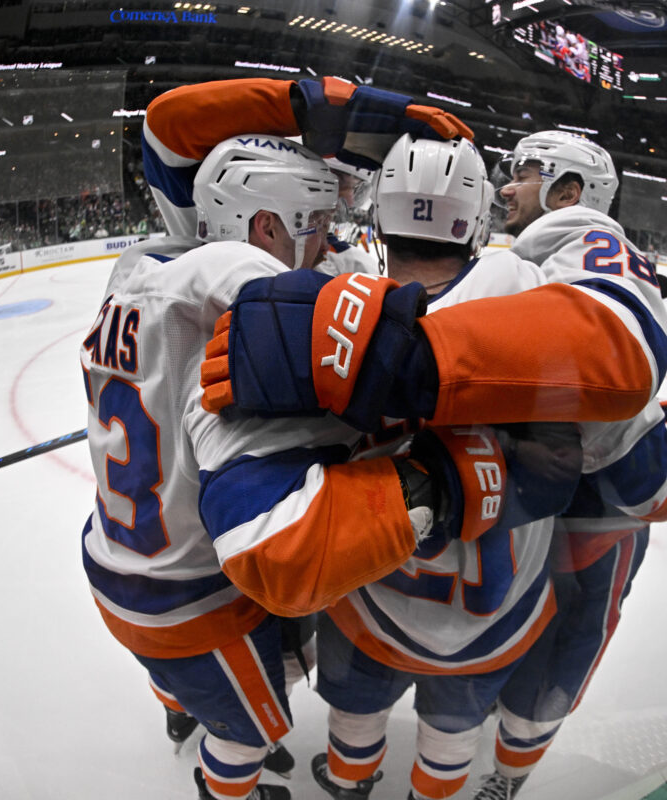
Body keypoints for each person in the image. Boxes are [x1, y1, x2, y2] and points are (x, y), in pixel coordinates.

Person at [194, 134, 667, 800]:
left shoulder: (332, 297)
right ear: (476, 218)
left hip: (376, 592)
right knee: (451, 731)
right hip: (495, 608)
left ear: (378, 219)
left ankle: (349, 783)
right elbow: (642, 465)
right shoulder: (529, 286)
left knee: (354, 712)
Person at [84, 76, 476, 800]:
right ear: (265, 228)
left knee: (187, 683)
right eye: (316, 224)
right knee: (249, 731)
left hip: (117, 551)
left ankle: (179, 711)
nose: (329, 242)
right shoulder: (242, 279)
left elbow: (169, 135)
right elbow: (361, 362)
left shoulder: (137, 268)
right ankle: (225, 779)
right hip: (189, 590)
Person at [469, 130, 667, 799]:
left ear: (569, 193)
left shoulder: (578, 257)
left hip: (589, 523)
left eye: (526, 174)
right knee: (536, 643)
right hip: (570, 509)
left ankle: (507, 776)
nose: (506, 186)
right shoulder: (550, 257)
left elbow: (646, 474)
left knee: (558, 651)